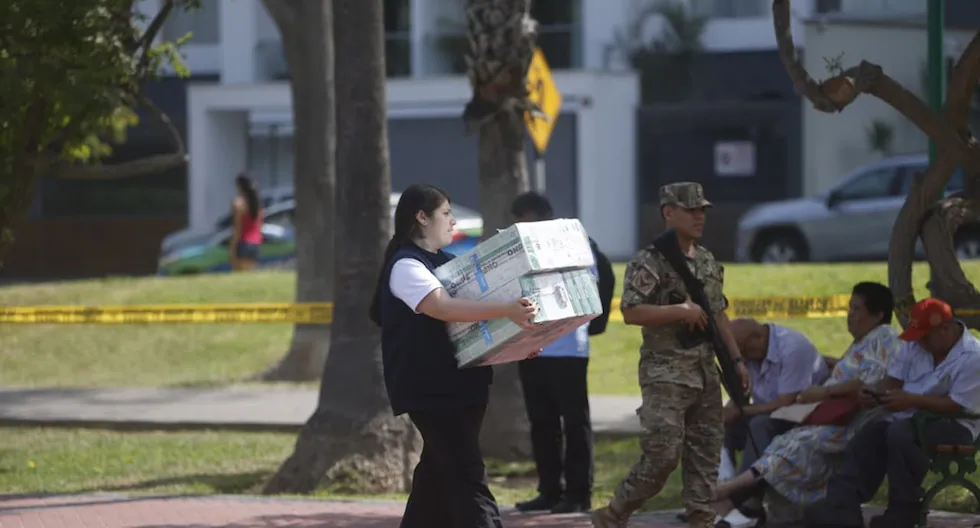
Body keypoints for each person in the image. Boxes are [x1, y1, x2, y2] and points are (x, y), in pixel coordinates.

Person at [369, 183, 540, 528]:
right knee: (467, 477)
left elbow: (472, 327)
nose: (452, 221)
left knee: (434, 480)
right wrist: (507, 310)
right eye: (446, 213)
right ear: (421, 217)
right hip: (431, 391)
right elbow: (442, 307)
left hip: (464, 385)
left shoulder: (450, 264)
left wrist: (518, 343)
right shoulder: (406, 266)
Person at [591, 182, 751, 528]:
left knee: (706, 455)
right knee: (662, 454)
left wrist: (737, 361)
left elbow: (719, 313)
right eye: (691, 210)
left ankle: (701, 519)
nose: (699, 217)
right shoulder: (649, 261)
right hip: (665, 373)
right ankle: (615, 513)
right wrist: (679, 311)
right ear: (668, 213)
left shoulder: (707, 261)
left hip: (706, 372)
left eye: (702, 210)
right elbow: (632, 311)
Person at [711, 282, 901, 522]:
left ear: (878, 315)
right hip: (821, 418)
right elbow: (852, 370)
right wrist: (831, 364)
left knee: (788, 442)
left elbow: (867, 381)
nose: (849, 315)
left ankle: (730, 494)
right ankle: (736, 497)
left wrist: (822, 392)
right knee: (763, 434)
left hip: (850, 425)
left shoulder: (884, 336)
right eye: (849, 308)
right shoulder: (863, 341)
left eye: (856, 309)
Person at [804, 298, 980, 528]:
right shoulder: (914, 343)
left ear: (945, 329)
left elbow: (957, 405)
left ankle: (903, 510)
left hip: (955, 425)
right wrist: (874, 392)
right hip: (907, 417)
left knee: (901, 433)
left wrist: (912, 400)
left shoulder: (973, 357)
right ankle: (841, 507)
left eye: (925, 337)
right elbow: (892, 381)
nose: (920, 343)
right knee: (871, 433)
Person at [509, 192, 612, 514]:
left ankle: (579, 494)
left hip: (568, 349)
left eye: (527, 223)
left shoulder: (576, 244)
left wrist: (595, 326)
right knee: (541, 422)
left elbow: (601, 280)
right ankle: (549, 490)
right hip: (531, 348)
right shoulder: (518, 251)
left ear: (544, 219)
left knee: (574, 422)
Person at [715, 318, 829, 521]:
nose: (739, 357)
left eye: (740, 349)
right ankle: (722, 486)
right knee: (721, 425)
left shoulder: (793, 347)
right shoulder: (747, 356)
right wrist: (727, 413)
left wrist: (743, 411)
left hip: (800, 418)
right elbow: (741, 398)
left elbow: (785, 402)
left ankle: (740, 501)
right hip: (766, 414)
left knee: (760, 425)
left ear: (757, 339)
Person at [230, 174, 263, 271]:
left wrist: (232, 249)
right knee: (248, 275)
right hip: (256, 243)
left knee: (239, 275)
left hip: (244, 243)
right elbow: (259, 226)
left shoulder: (238, 204)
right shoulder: (258, 204)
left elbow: (237, 229)